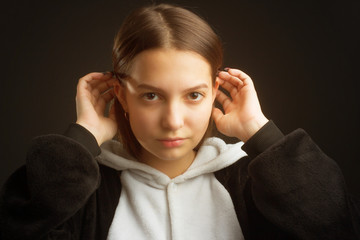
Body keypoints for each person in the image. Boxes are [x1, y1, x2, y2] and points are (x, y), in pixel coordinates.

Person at [0, 3, 359, 240]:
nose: (173, 122)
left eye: (194, 95)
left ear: (216, 90)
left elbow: (334, 228)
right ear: (122, 95)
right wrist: (83, 137)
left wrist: (261, 133)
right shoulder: (88, 190)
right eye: (151, 95)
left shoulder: (248, 181)